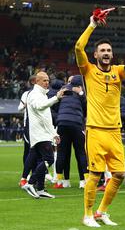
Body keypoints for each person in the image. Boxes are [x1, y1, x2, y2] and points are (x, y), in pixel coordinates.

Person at [75, 11, 125, 227]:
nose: (106, 53)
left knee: (119, 174)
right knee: (94, 174)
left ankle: (101, 212)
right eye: (102, 50)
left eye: (109, 51)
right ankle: (87, 215)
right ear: (95, 55)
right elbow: (78, 47)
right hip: (95, 129)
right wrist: (92, 25)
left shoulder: (117, 72)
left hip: (115, 131)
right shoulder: (87, 70)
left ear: (112, 55)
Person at [21, 71, 66, 199]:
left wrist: (53, 133)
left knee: (40, 159)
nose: (47, 83)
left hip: (43, 133)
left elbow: (45, 118)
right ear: (37, 81)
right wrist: (56, 98)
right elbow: (39, 107)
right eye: (44, 80)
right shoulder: (35, 94)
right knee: (49, 159)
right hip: (40, 134)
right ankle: (30, 183)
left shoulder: (42, 94)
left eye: (48, 80)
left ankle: (40, 189)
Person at [54, 75, 89, 189]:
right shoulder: (80, 92)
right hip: (76, 124)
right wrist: (81, 94)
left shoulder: (63, 90)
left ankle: (60, 181)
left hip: (62, 123)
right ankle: (84, 181)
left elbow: (56, 106)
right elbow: (87, 108)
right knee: (80, 153)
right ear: (80, 84)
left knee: (62, 153)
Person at [18, 75, 36, 187]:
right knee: (29, 151)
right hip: (28, 126)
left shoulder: (43, 93)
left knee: (36, 151)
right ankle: (27, 176)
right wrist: (25, 105)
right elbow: (19, 108)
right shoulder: (26, 94)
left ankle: (35, 175)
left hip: (38, 127)